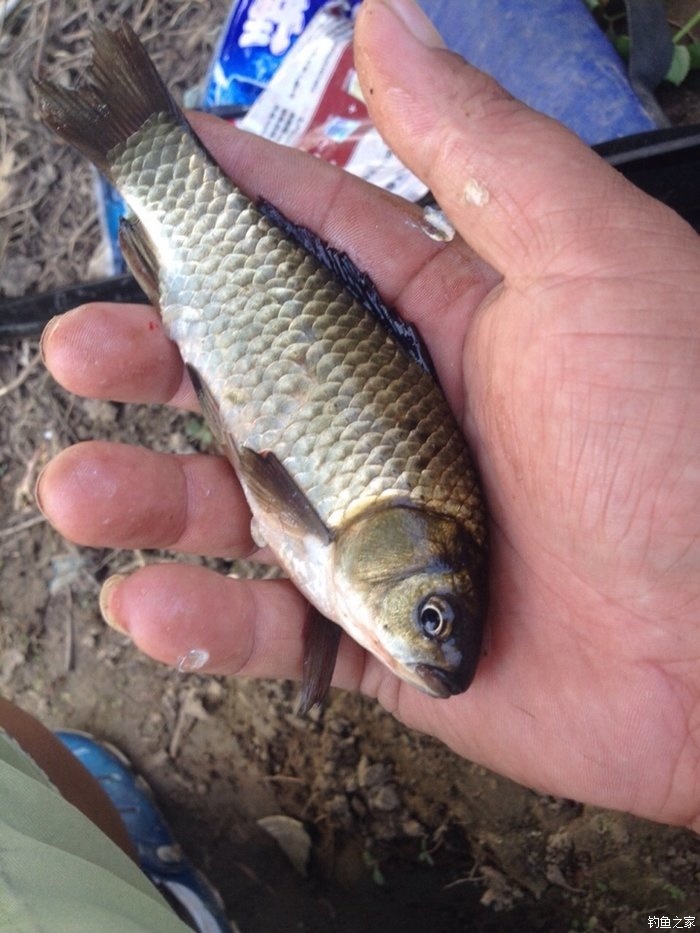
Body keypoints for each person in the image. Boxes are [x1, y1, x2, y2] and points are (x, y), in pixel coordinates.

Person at [33, 0, 700, 840]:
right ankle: (141, 143)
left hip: (259, 330)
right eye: (433, 615)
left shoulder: (368, 559)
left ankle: (138, 143)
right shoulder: (333, 533)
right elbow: (271, 481)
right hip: (257, 307)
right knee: (163, 216)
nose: (435, 644)